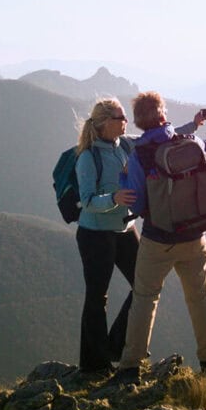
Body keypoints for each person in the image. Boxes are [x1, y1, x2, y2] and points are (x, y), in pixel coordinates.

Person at [115, 90, 206, 388]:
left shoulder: (139, 154)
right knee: (200, 299)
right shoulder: (189, 142)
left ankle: (130, 367)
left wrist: (123, 178)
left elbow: (137, 205)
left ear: (139, 123)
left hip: (157, 240)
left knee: (144, 299)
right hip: (194, 237)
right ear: (164, 113)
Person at [74, 97, 139, 376]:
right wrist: (114, 197)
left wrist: (194, 125)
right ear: (104, 123)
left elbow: (155, 138)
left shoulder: (124, 145)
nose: (126, 121)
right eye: (120, 117)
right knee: (97, 297)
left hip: (125, 229)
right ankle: (93, 364)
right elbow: (86, 200)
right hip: (95, 234)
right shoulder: (88, 157)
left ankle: (115, 346)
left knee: (145, 287)